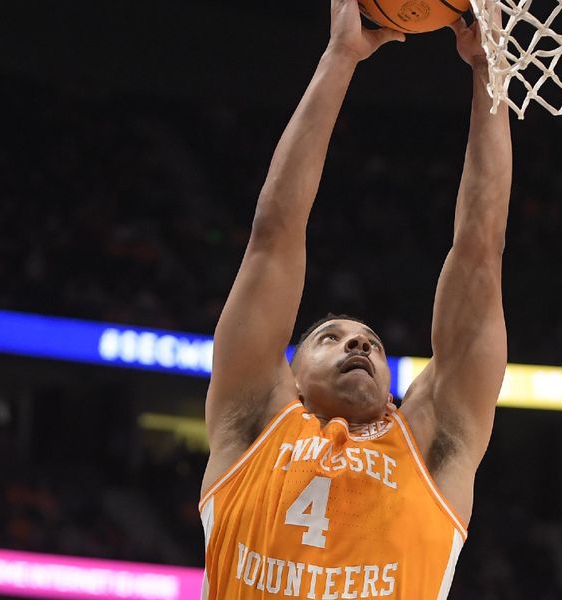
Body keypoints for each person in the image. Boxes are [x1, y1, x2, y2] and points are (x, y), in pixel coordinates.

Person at [198, 0, 511, 597]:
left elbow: (480, 253)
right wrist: (340, 57)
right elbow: (273, 237)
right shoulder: (252, 425)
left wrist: (487, 68)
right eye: (330, 337)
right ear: (287, 374)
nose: (359, 343)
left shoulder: (431, 446)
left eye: (368, 342)